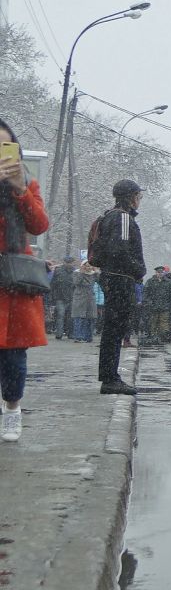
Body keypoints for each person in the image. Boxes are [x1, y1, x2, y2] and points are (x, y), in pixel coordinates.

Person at [0, 117, 51, 440]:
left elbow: (39, 224)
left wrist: (19, 190)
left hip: (14, 280)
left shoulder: (27, 183)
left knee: (14, 356)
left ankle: (12, 410)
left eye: (6, 146)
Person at [87, 178, 146, 395]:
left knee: (114, 329)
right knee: (115, 330)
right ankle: (110, 378)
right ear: (131, 197)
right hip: (119, 278)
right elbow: (119, 250)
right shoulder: (122, 218)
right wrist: (139, 269)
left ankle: (110, 376)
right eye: (138, 196)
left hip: (114, 277)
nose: (139, 201)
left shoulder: (109, 216)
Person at [143, 265, 171, 343]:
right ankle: (153, 337)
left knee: (164, 323)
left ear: (164, 273)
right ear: (156, 273)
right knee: (153, 322)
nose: (160, 273)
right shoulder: (150, 281)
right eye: (158, 272)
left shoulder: (168, 282)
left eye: (161, 272)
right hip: (153, 306)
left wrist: (170, 304)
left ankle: (163, 337)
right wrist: (148, 302)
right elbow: (145, 293)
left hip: (164, 306)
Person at [71, 263, 100, 343]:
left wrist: (97, 272)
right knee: (78, 317)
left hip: (90, 297)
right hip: (79, 297)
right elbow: (76, 282)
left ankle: (88, 337)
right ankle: (78, 336)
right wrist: (82, 273)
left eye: (90, 266)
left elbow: (100, 281)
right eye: (86, 265)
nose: (88, 267)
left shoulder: (93, 274)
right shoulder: (77, 273)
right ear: (82, 266)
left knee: (90, 318)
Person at [47, 257, 74, 341]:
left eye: (70, 262)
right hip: (60, 297)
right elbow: (53, 284)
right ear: (64, 262)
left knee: (69, 316)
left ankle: (69, 333)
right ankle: (59, 333)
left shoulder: (75, 272)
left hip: (71, 296)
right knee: (60, 316)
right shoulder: (58, 270)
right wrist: (51, 296)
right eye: (67, 262)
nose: (69, 264)